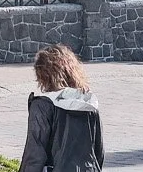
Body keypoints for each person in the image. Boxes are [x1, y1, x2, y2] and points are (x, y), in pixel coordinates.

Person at [18, 43, 104, 172]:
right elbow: (98, 151)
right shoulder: (88, 103)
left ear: (43, 75)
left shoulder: (43, 105)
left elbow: (35, 154)